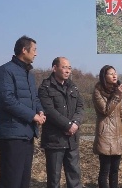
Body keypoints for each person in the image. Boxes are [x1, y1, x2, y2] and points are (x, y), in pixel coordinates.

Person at [0, 35, 46, 188]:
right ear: (24, 50)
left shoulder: (29, 73)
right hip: (12, 134)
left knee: (23, 180)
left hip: (27, 133)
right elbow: (6, 101)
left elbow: (34, 98)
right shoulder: (5, 71)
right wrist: (32, 116)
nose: (36, 53)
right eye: (34, 50)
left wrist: (40, 111)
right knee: (11, 180)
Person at [38, 57, 85, 188]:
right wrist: (68, 125)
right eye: (64, 67)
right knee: (54, 179)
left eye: (69, 68)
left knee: (75, 176)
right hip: (55, 141)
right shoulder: (45, 87)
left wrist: (75, 123)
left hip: (72, 140)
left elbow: (80, 107)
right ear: (54, 68)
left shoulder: (73, 87)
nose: (68, 71)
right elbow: (49, 111)